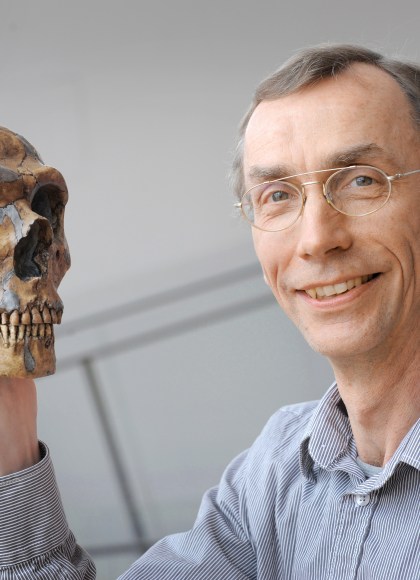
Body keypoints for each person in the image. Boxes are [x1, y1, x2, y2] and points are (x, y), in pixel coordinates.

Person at [0, 44, 418, 579]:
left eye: (362, 180)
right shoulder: (276, 468)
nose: (316, 239)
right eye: (277, 195)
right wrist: (12, 437)